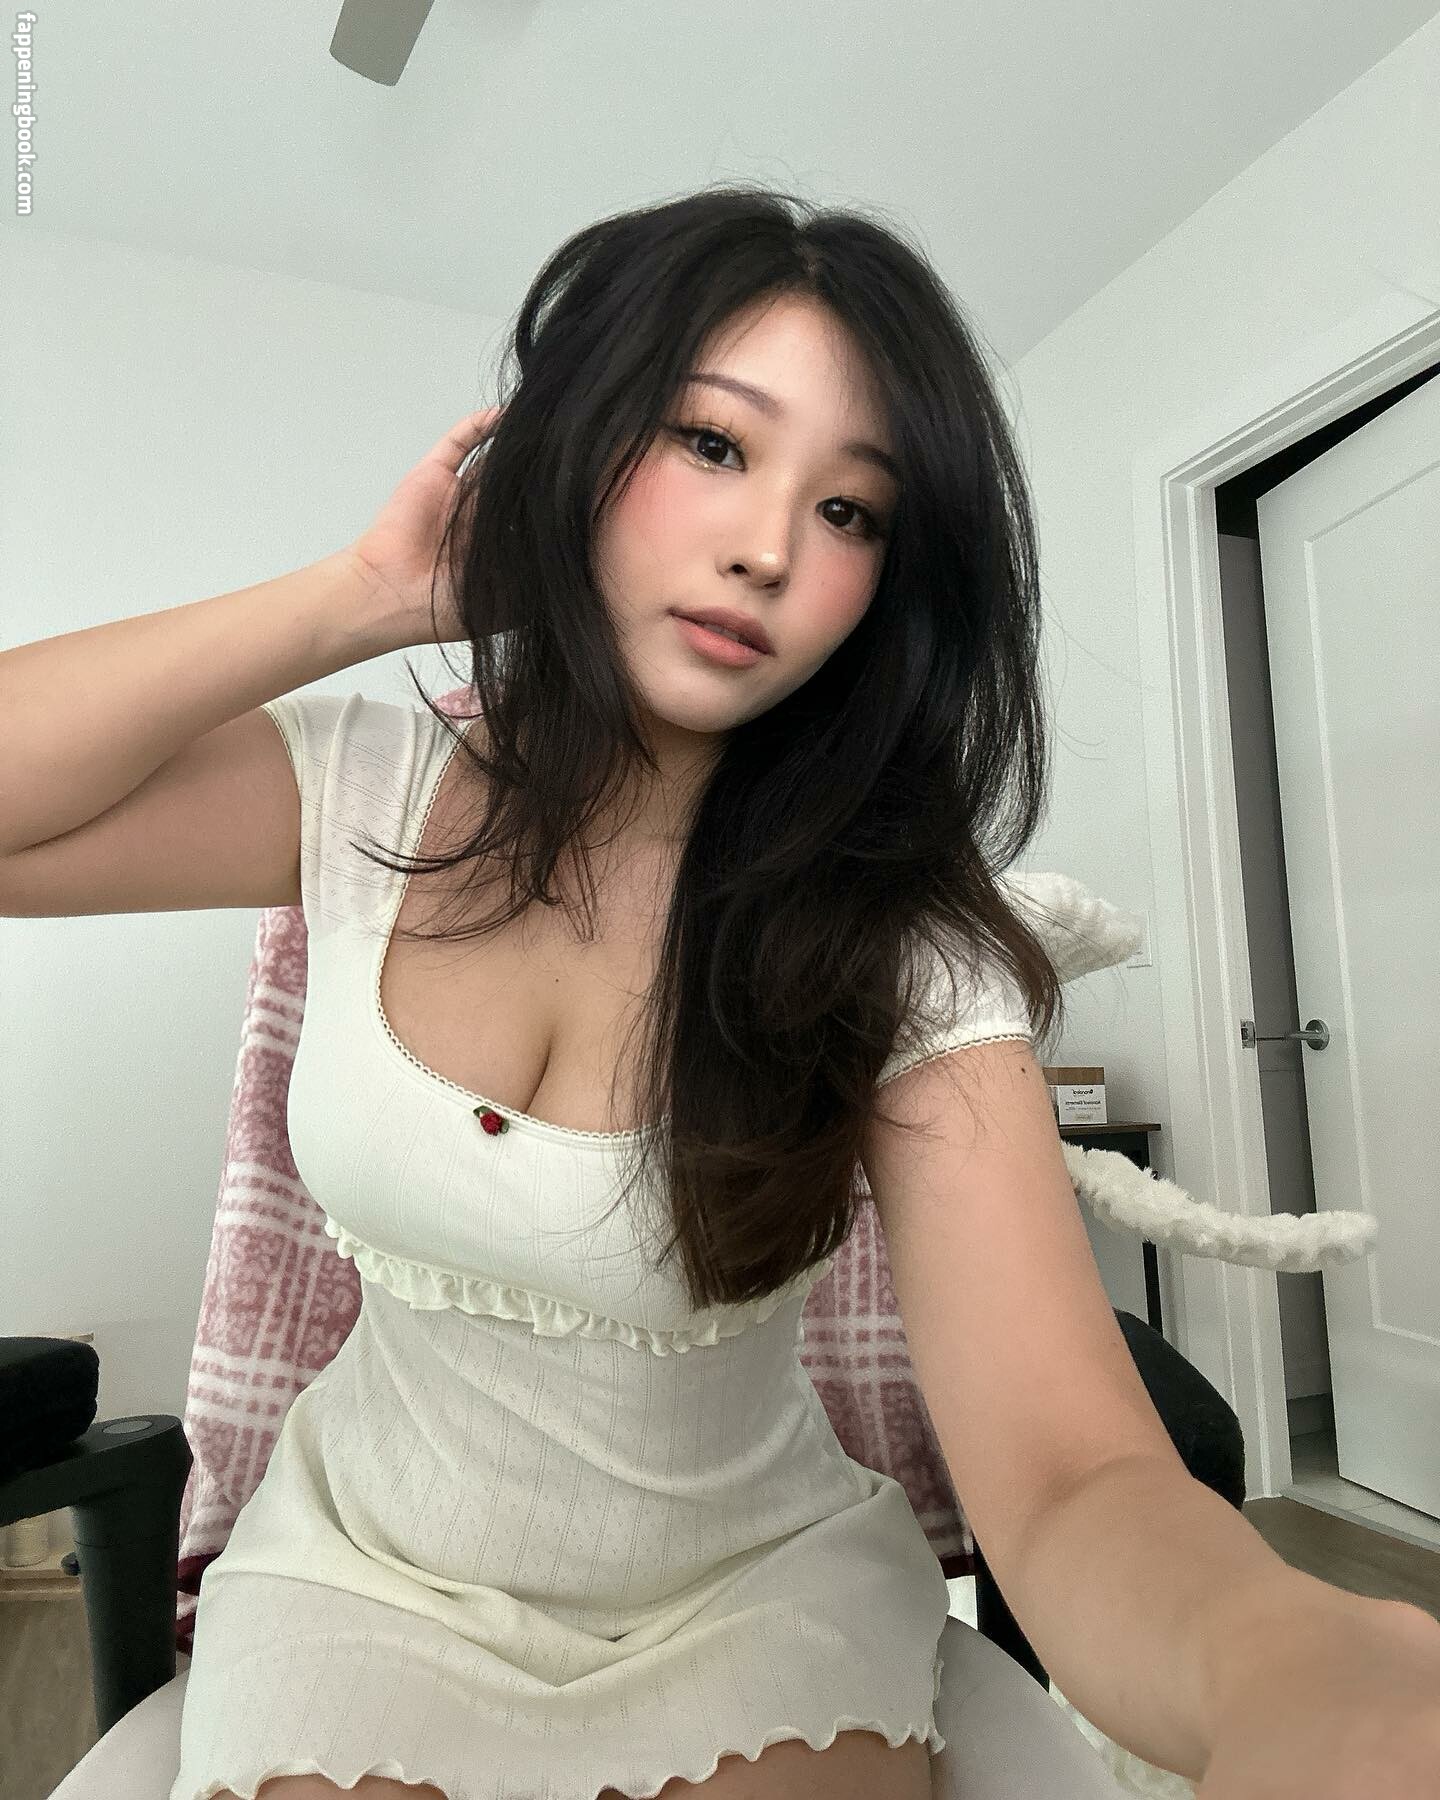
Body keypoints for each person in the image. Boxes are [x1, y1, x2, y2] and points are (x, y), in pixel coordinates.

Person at [8, 184, 1437, 1800]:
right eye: (711, 442)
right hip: (367, 1577)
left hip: (756, 1597)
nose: (768, 548)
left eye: (853, 512)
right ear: (581, 443)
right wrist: (364, 595)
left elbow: (1069, 1472)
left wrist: (1283, 1667)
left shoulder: (903, 945)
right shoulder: (367, 790)